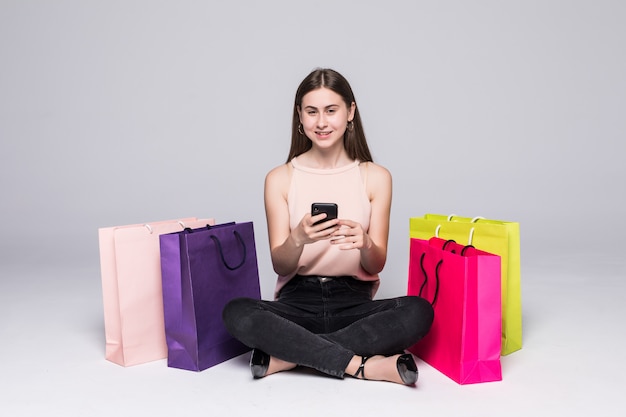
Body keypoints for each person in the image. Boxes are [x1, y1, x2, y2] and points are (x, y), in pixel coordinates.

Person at [222, 68, 433, 385]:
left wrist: (364, 242)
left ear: (350, 112)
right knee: (237, 311)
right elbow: (280, 264)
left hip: (354, 303)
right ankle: (363, 366)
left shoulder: (376, 177)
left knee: (419, 311)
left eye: (331, 110)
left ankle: (290, 356)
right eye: (312, 111)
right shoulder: (279, 178)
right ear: (300, 116)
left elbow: (377, 263)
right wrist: (298, 238)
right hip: (296, 303)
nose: (321, 122)